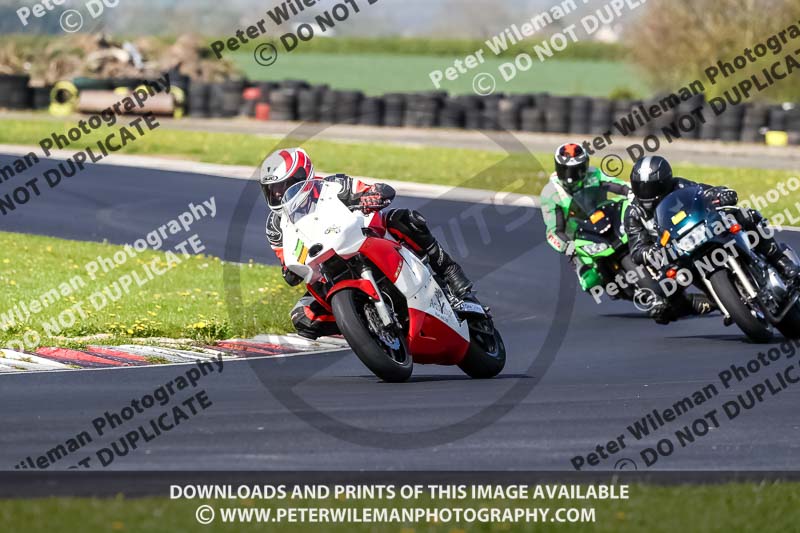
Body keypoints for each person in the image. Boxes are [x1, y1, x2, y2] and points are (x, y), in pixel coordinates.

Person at [260, 147, 474, 339]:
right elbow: (286, 260)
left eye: (283, 185)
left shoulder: (334, 185)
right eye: (272, 188)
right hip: (326, 270)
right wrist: (290, 271)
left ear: (302, 177)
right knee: (302, 317)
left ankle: (450, 273)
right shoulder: (275, 226)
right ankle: (364, 326)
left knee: (404, 219)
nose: (278, 193)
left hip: (364, 239)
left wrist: (371, 196)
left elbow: (377, 189)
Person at [625, 155, 800, 323]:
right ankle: (706, 302)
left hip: (704, 230)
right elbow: (636, 248)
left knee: (747, 216)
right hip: (677, 253)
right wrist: (650, 253)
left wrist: (721, 194)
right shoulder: (633, 213)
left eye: (651, 187)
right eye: (641, 187)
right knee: (663, 300)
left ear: (665, 181)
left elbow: (705, 192)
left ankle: (782, 262)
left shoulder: (680, 185)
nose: (646, 192)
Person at [540, 143, 631, 291]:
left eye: (576, 170)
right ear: (558, 168)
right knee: (590, 282)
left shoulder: (594, 174)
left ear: (585, 166)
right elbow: (553, 232)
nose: (571, 177)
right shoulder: (550, 193)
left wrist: (633, 192)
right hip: (580, 239)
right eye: (566, 170)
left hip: (607, 220)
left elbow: (620, 186)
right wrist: (569, 247)